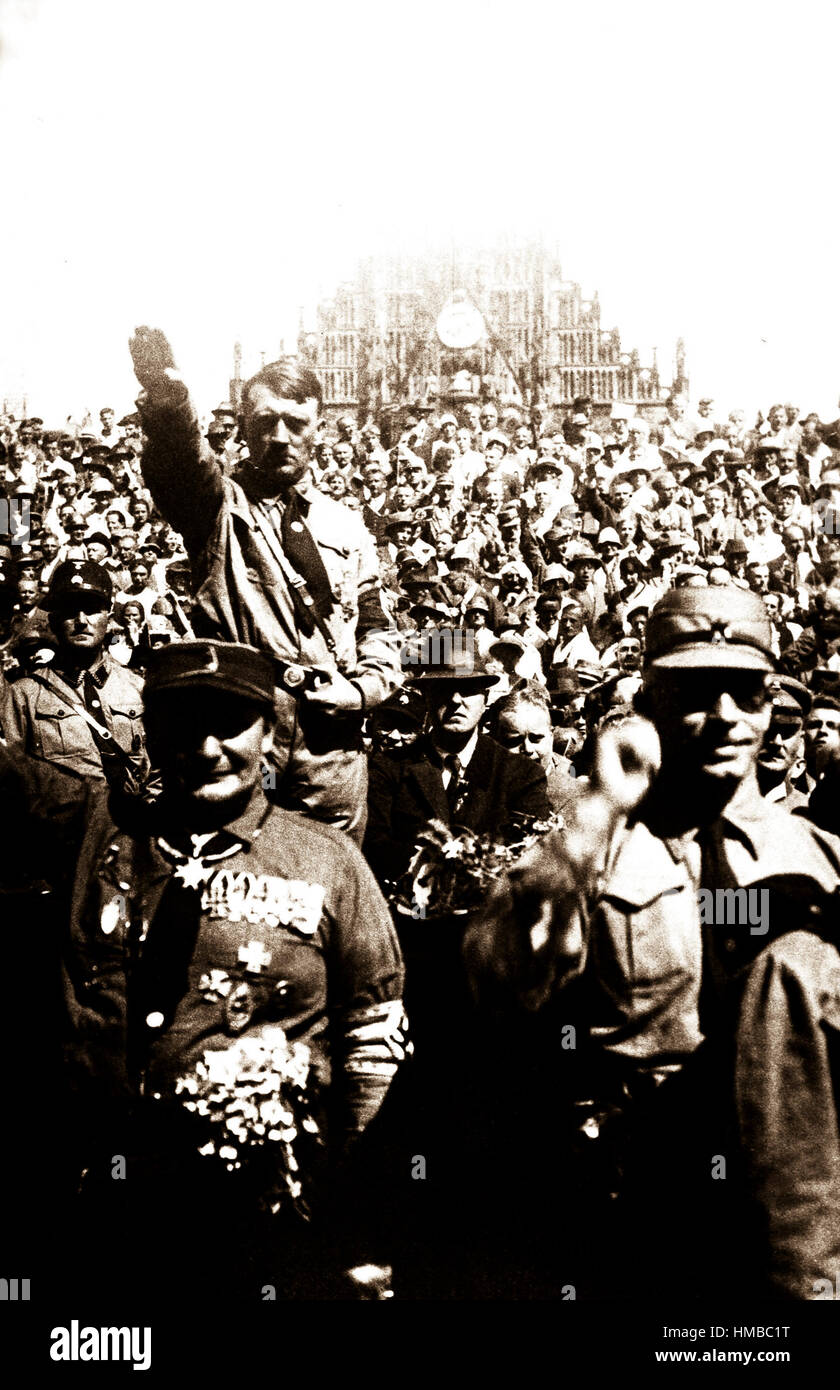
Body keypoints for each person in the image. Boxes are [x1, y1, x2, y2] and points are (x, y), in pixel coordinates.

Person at [468, 584, 840, 1300]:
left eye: (748, 693)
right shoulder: (596, 845)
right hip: (631, 1211)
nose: (725, 718)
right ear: (651, 702)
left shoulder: (822, 858)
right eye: (698, 692)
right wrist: (600, 808)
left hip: (790, 1213)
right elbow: (495, 974)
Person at [55, 639, 406, 1302]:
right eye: (184, 726)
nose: (208, 746)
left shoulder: (326, 861)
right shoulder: (105, 836)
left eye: (231, 724)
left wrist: (351, 1202)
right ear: (153, 734)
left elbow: (373, 1031)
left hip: (275, 1208)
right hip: (125, 1198)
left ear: (271, 733)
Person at [129, 326, 401, 843]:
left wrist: (360, 690)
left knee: (331, 878)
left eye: (295, 422)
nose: (280, 436)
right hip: (245, 734)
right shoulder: (216, 506)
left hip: (331, 751)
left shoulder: (346, 524)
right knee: (242, 866)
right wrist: (168, 400)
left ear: (319, 428)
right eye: (265, 421)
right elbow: (180, 460)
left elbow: (376, 626)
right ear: (244, 430)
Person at [0, 559, 148, 793]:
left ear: (109, 620)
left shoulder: (138, 688)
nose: (81, 621)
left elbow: (163, 767)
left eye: (91, 610)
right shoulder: (24, 695)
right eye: (69, 611)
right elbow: (12, 781)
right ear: (53, 621)